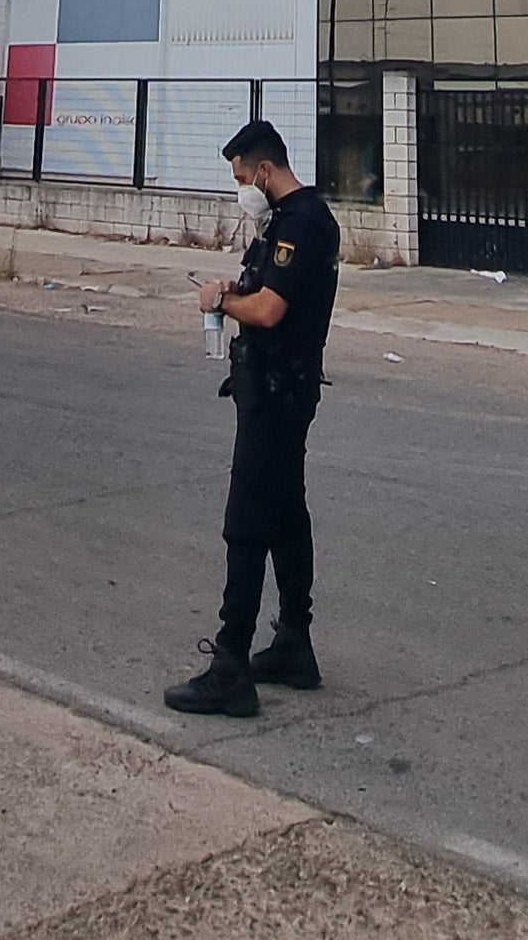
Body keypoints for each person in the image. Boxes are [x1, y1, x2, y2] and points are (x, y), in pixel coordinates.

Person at [167, 117, 339, 715]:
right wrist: (228, 289)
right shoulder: (274, 229)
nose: (240, 188)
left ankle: (230, 666)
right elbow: (255, 290)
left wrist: (222, 301)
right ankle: (294, 643)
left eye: (242, 177)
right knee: (286, 515)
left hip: (278, 394)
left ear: (264, 171)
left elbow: (267, 309)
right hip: (265, 389)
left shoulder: (305, 223)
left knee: (245, 524)